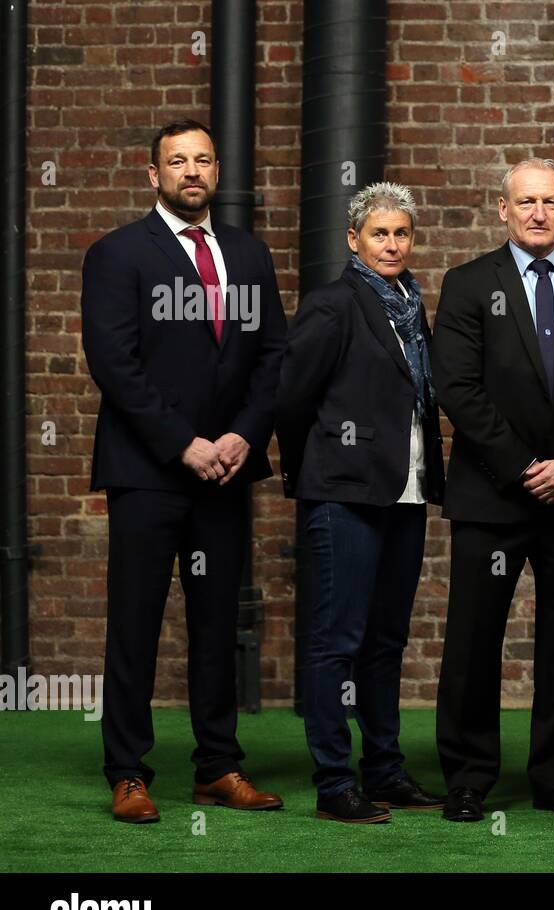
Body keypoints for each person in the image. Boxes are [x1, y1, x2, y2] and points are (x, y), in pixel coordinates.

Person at [81, 119, 286, 823]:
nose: (190, 171)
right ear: (154, 174)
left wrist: (239, 435)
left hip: (224, 473)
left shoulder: (249, 255)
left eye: (202, 160)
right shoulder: (116, 254)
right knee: (135, 622)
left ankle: (218, 766)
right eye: (177, 161)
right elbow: (116, 364)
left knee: (215, 622)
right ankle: (129, 771)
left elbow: (273, 359)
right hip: (148, 472)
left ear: (217, 172)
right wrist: (182, 443)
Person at [431, 158, 554, 822]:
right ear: (502, 210)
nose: (539, 212)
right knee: (474, 637)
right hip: (492, 494)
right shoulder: (469, 284)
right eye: (526, 201)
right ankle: (469, 775)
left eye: (551, 202)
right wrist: (523, 466)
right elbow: (457, 388)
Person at [276, 182, 446, 825]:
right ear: (354, 240)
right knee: (335, 642)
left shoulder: (410, 303)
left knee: (386, 641)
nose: (393, 244)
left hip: (406, 492)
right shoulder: (332, 304)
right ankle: (333, 784)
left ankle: (385, 771)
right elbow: (291, 399)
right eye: (380, 234)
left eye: (402, 233)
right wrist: (317, 471)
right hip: (343, 495)